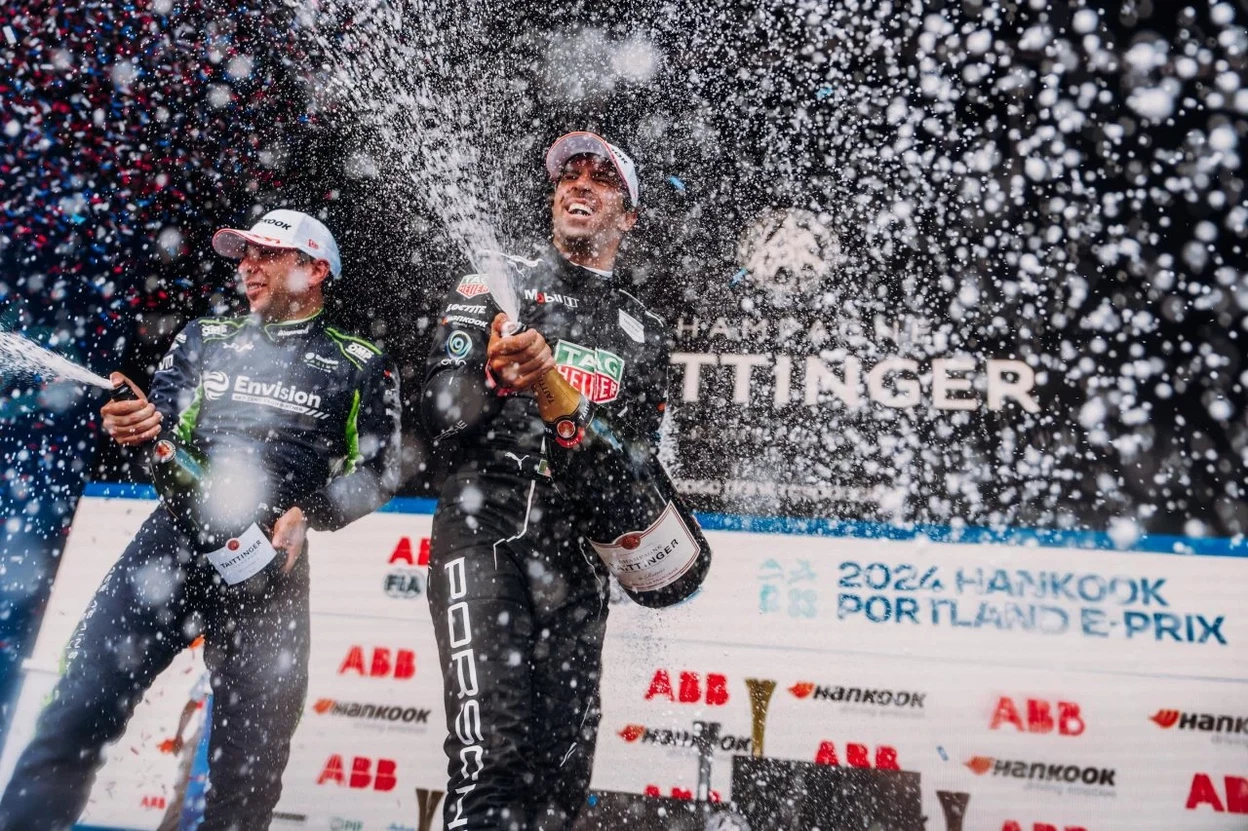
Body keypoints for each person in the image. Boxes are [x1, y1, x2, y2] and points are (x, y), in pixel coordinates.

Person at [0, 209, 403, 830]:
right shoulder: (204, 337)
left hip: (270, 563)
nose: (247, 266)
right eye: (243, 254)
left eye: (267, 254)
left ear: (316, 269)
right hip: (171, 547)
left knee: (251, 770)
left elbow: (380, 470)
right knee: (76, 714)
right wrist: (135, 428)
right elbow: (159, 435)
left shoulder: (360, 361)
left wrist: (310, 513)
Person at [421, 132, 670, 830]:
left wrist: (572, 416)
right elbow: (438, 410)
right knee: (490, 766)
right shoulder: (492, 281)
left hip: (580, 568)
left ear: (628, 215)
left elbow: (635, 473)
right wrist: (491, 376)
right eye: (570, 175)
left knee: (558, 787)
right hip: (485, 538)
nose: (580, 186)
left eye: (603, 179)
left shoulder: (644, 333)